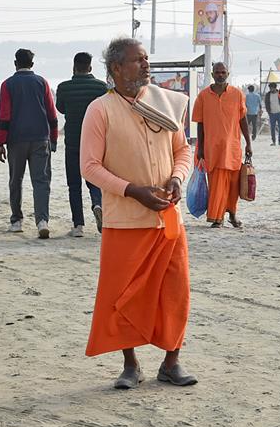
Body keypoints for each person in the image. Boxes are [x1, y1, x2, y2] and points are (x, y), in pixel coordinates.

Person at [81, 37, 196, 389]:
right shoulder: (100, 109)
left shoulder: (165, 102)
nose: (145, 65)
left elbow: (183, 150)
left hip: (167, 219)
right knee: (122, 294)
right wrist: (133, 191)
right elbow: (89, 166)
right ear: (116, 68)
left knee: (174, 291)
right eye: (137, 61)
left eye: (146, 59)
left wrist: (177, 179)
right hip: (125, 220)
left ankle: (171, 362)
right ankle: (131, 365)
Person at [0, 48, 58, 239]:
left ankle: (16, 221)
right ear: (32, 64)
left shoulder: (7, 85)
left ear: (15, 63)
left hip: (16, 139)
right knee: (41, 181)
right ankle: (42, 221)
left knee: (16, 180)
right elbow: (51, 112)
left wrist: (0, 142)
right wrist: (53, 137)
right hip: (40, 137)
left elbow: (4, 114)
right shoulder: (42, 83)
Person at [192, 62, 253, 228]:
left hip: (232, 148)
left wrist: (248, 142)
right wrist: (201, 147)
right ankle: (216, 217)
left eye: (223, 72)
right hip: (212, 148)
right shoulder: (203, 96)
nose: (220, 75)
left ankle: (232, 215)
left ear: (227, 73)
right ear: (212, 75)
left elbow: (243, 120)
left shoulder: (237, 94)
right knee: (216, 183)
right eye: (217, 72)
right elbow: (200, 123)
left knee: (233, 185)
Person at [56, 52, 107, 237]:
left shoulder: (64, 88)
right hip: (96, 142)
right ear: (90, 68)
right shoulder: (101, 87)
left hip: (73, 141)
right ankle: (98, 204)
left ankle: (78, 226)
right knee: (95, 179)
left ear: (74, 67)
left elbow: (60, 108)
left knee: (74, 184)